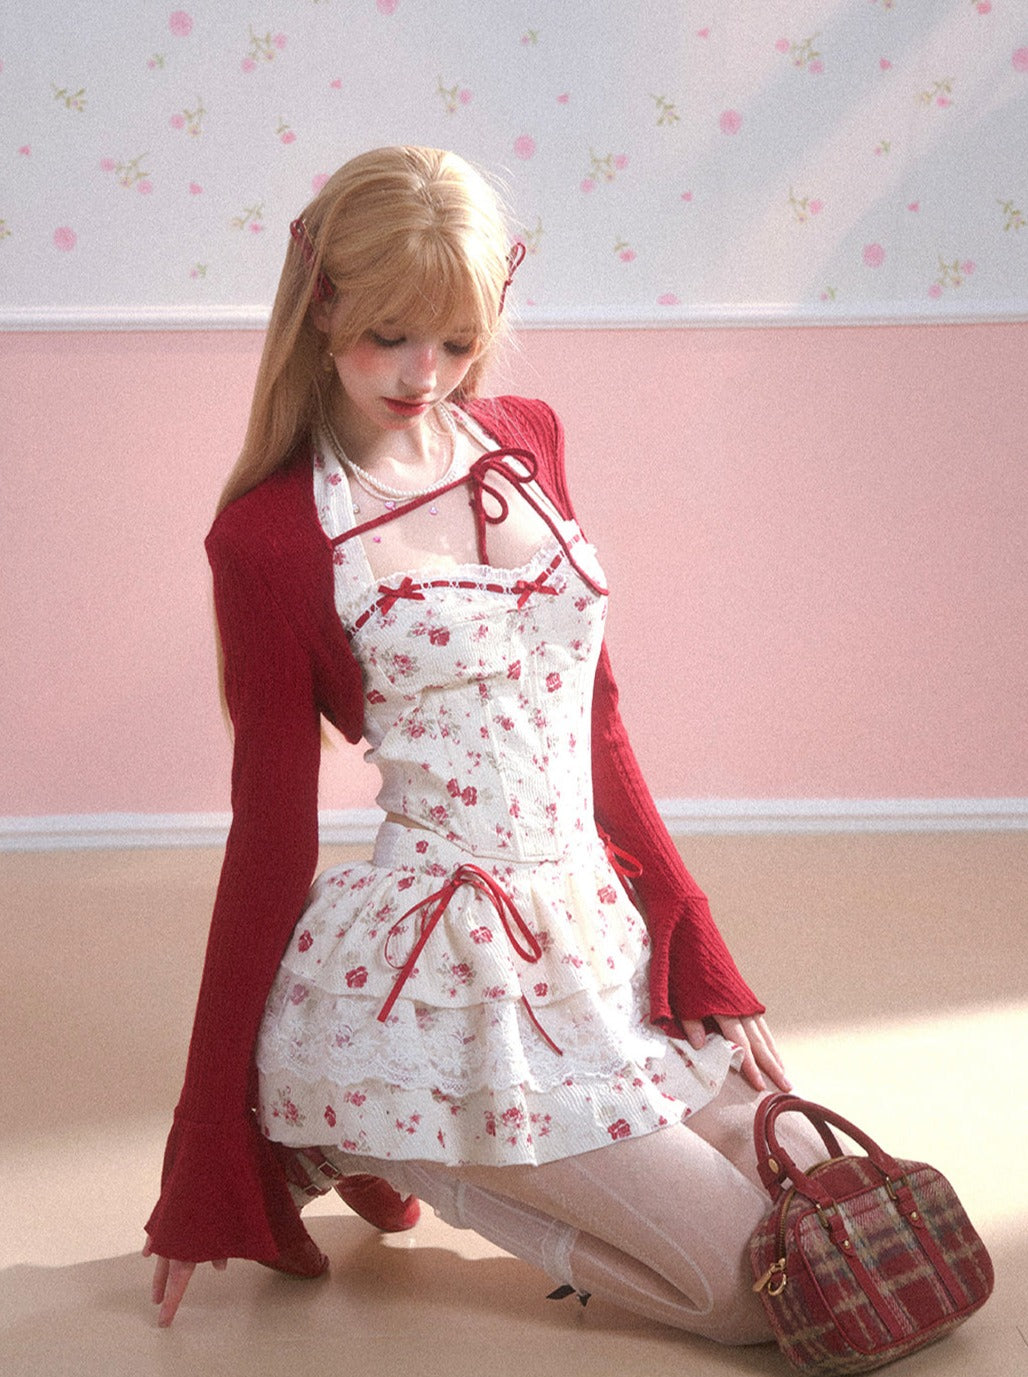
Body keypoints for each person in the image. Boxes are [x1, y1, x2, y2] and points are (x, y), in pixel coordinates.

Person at [144, 145, 816, 1341]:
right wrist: (207, 1145)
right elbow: (269, 834)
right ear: (321, 307)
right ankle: (366, 1114)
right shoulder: (271, 539)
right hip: (444, 972)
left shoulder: (525, 437)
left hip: (596, 936)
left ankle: (404, 1127)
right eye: (390, 335)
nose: (424, 374)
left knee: (828, 1193)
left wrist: (693, 938)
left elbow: (595, 719)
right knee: (752, 1293)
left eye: (456, 342)